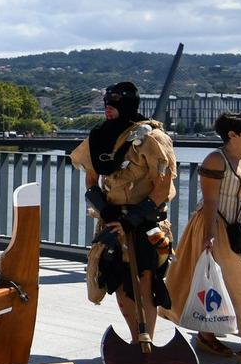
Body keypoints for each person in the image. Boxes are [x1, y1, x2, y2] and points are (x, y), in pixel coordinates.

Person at [165, 112, 241, 364]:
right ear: (232, 135)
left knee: (236, 282)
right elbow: (210, 200)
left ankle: (207, 335)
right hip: (218, 226)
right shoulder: (216, 160)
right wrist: (208, 234)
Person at [68, 80, 176, 347]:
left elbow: (164, 184)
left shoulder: (151, 138)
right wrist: (107, 211)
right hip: (112, 219)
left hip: (145, 221)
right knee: (117, 279)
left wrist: (133, 218)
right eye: (106, 103)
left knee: (145, 280)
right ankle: (134, 339)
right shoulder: (99, 136)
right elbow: (92, 180)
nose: (108, 108)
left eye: (114, 104)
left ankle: (146, 340)